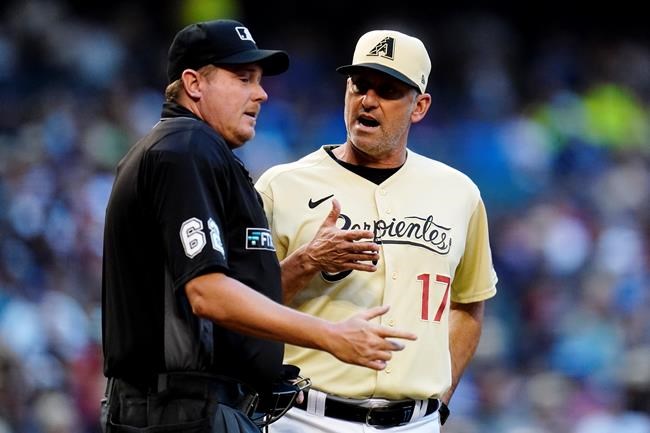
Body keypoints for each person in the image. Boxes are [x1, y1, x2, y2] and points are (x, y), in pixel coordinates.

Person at [101, 20, 417, 433]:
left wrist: (303, 263)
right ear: (195, 83)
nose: (261, 93)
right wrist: (329, 334)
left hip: (185, 405)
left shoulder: (190, 150)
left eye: (260, 80)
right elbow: (207, 295)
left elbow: (222, 303)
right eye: (243, 78)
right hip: (178, 409)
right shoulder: (185, 150)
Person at [255, 29, 498, 432]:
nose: (367, 101)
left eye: (387, 91)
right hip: (303, 416)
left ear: (419, 107)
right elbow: (241, 310)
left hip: (414, 423)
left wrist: (440, 401)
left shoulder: (459, 193)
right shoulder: (280, 186)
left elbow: (469, 304)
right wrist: (307, 261)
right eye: (359, 86)